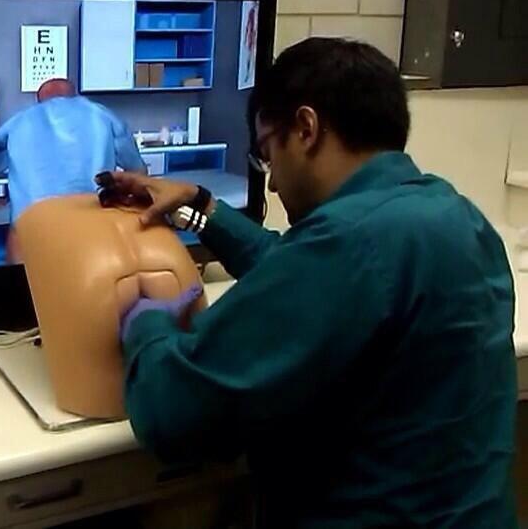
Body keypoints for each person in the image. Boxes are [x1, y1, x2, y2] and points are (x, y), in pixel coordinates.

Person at [103, 38, 517, 528]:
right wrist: (202, 208)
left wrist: (145, 324)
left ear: (305, 128)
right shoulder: (459, 218)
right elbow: (307, 271)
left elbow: (172, 416)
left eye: (267, 154)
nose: (273, 183)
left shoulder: (348, 245)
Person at [0, 78, 146, 222]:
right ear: (75, 96)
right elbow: (138, 173)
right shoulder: (104, 115)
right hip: (92, 226)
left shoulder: (16, 123)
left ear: (38, 100)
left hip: (31, 228)